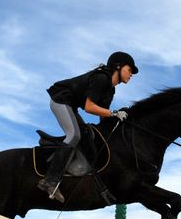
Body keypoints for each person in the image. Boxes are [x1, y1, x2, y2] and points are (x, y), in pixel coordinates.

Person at [38, 51, 139, 203]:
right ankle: (49, 181)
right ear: (118, 66)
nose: (131, 74)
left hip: (70, 105)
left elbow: (102, 115)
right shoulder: (101, 78)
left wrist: (119, 121)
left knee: (84, 133)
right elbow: (89, 107)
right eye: (129, 70)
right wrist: (114, 113)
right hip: (60, 100)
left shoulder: (111, 89)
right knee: (74, 135)